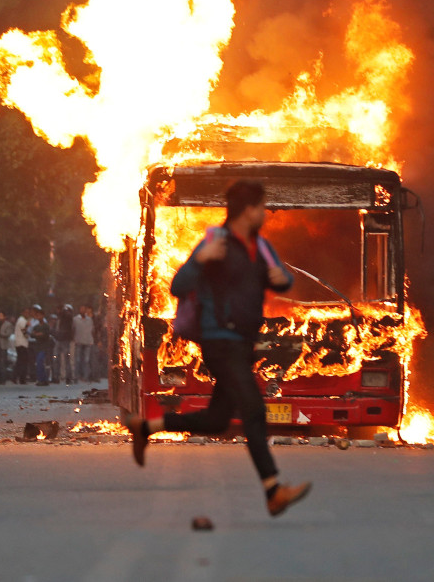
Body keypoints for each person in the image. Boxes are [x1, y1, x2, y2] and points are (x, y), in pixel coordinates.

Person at [124, 180, 312, 517]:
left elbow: (283, 278)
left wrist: (281, 280)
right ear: (249, 210)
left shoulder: (261, 247)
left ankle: (147, 427)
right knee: (254, 410)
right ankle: (273, 489)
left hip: (243, 344)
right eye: (262, 208)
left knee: (216, 419)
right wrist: (200, 262)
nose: (265, 215)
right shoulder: (215, 241)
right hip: (218, 342)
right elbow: (178, 285)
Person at [52, 304, 74, 385]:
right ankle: (56, 376)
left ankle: (68, 377)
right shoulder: (59, 318)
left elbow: (69, 317)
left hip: (65, 340)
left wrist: (64, 311)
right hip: (58, 340)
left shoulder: (67, 317)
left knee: (66, 359)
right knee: (55, 358)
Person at [30, 306, 50, 386]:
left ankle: (42, 379)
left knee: (40, 362)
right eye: (37, 316)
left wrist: (38, 334)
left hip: (44, 347)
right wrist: (38, 334)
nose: (39, 317)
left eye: (40, 315)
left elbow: (45, 335)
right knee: (39, 363)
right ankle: (43, 379)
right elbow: (32, 334)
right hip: (38, 346)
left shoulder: (46, 326)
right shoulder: (36, 326)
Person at [73, 305, 94, 383]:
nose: (82, 310)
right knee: (77, 360)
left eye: (84, 309)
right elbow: (73, 329)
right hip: (78, 341)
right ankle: (76, 377)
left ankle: (86, 377)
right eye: (81, 309)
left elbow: (92, 330)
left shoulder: (89, 320)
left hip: (88, 341)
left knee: (86, 360)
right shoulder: (75, 319)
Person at [0, 311, 13, 384]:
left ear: (5, 317)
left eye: (1, 316)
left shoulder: (8, 325)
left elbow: (8, 334)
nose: (0, 317)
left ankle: (3, 379)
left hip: (3, 345)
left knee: (2, 362)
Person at [13, 307, 31, 384]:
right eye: (26, 312)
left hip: (20, 343)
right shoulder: (22, 321)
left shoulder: (21, 320)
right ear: (23, 313)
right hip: (22, 343)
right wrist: (28, 327)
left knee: (20, 361)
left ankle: (16, 377)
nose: (27, 314)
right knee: (23, 362)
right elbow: (24, 331)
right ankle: (21, 379)